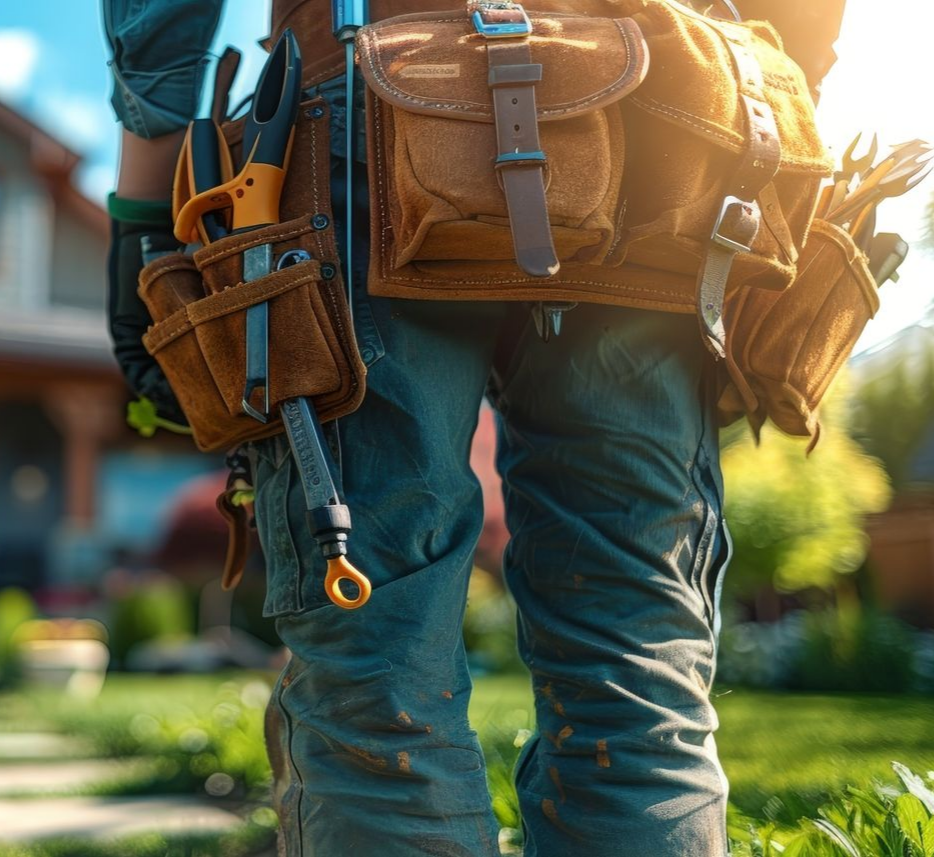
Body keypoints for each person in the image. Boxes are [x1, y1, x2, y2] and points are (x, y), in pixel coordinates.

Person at [101, 2, 840, 855]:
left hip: (364, 109)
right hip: (669, 129)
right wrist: (780, 107)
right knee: (637, 673)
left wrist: (145, 216)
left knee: (378, 688)